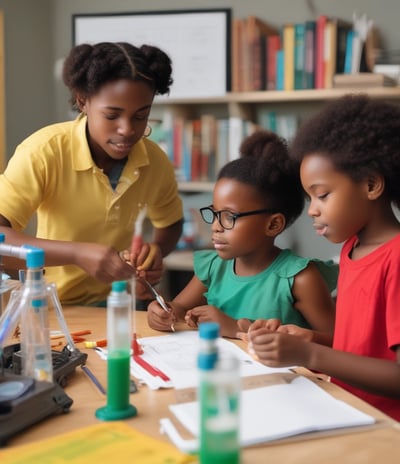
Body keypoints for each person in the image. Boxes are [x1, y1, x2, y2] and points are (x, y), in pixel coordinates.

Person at [246, 95, 400, 421]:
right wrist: (309, 339)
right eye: (309, 197)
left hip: (385, 432)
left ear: (371, 184)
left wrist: (310, 353)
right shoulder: (352, 248)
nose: (312, 210)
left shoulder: (396, 259)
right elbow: (364, 349)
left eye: (323, 194)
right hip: (347, 410)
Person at [0, 42, 183, 306]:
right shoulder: (43, 152)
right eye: (112, 116)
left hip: (122, 303)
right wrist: (77, 253)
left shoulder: (155, 160)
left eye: (141, 116)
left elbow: (171, 224)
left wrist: (155, 251)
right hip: (54, 306)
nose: (127, 130)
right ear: (82, 101)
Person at [147, 130, 337, 338]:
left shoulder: (299, 279)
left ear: (273, 224)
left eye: (228, 217)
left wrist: (235, 327)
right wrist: (163, 313)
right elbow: (179, 307)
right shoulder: (214, 267)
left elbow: (337, 342)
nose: (216, 227)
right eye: (215, 213)